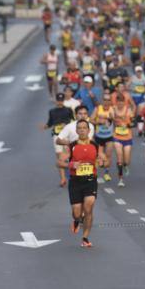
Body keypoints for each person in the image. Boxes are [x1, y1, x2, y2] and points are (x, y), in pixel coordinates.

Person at [58, 119, 106, 248]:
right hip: (75, 182)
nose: (82, 130)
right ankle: (77, 220)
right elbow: (59, 162)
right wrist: (72, 164)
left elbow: (104, 160)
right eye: (80, 128)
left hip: (90, 180)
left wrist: (102, 162)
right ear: (77, 131)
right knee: (77, 213)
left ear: (89, 130)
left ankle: (85, 237)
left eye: (85, 128)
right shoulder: (71, 146)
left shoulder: (95, 145)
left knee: (89, 208)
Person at [43, 93, 75, 187]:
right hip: (56, 136)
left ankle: (70, 176)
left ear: (63, 100)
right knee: (59, 157)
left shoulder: (68, 110)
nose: (60, 102)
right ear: (56, 101)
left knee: (67, 156)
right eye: (58, 100)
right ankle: (63, 178)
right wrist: (45, 127)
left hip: (66, 136)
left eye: (61, 100)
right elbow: (50, 123)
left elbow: (73, 121)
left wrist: (67, 126)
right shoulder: (52, 111)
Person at [111, 95, 135, 187]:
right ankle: (120, 179)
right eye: (118, 102)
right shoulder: (113, 110)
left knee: (127, 160)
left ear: (124, 102)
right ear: (116, 102)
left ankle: (125, 166)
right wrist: (110, 119)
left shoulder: (128, 111)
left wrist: (128, 125)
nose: (120, 104)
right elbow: (109, 120)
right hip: (117, 137)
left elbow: (134, 123)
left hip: (127, 137)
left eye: (122, 102)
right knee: (119, 158)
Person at [91, 93, 115, 181]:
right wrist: (98, 122)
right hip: (98, 136)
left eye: (108, 100)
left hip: (109, 136)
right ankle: (95, 173)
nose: (106, 102)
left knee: (108, 155)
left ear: (110, 101)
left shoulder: (112, 109)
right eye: (105, 100)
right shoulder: (98, 109)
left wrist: (112, 119)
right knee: (97, 156)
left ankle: (106, 173)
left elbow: (116, 121)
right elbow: (91, 119)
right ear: (102, 100)